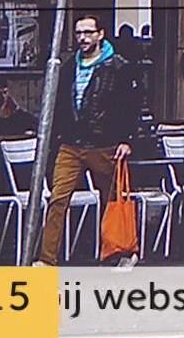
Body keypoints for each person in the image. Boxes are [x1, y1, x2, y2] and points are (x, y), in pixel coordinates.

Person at [38, 14, 146, 267]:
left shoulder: (118, 66)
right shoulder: (68, 67)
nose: (83, 38)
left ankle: (119, 251)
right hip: (72, 143)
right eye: (79, 33)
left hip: (105, 143)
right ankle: (46, 259)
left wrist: (127, 139)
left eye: (88, 32)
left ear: (100, 34)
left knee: (114, 199)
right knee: (58, 198)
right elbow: (61, 104)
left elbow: (132, 105)